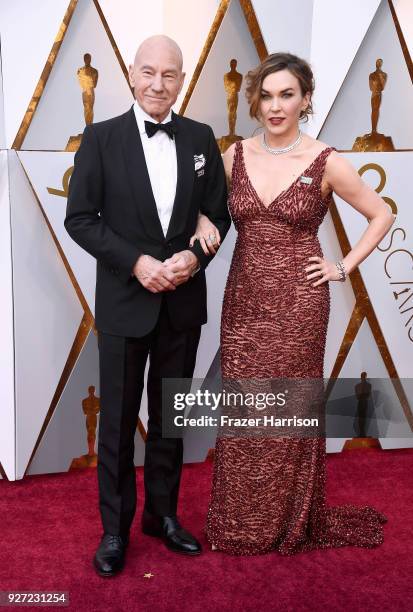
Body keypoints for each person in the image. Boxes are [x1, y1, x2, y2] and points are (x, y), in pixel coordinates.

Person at [191, 52, 394, 555]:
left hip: (301, 303)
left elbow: (381, 214)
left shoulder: (326, 160)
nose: (276, 106)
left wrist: (341, 266)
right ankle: (240, 523)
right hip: (244, 301)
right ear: (255, 101)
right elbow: (207, 206)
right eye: (267, 95)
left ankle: (284, 522)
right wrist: (201, 221)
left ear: (305, 101)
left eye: (288, 95)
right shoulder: (234, 156)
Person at [65, 35, 230, 576]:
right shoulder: (100, 137)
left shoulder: (203, 138)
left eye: (170, 75)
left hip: (182, 306)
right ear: (132, 73)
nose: (159, 85)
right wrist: (136, 262)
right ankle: (115, 530)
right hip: (124, 302)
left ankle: (163, 516)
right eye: (149, 73)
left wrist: (194, 258)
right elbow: (81, 218)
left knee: (171, 420)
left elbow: (217, 216)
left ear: (182, 81)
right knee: (115, 424)